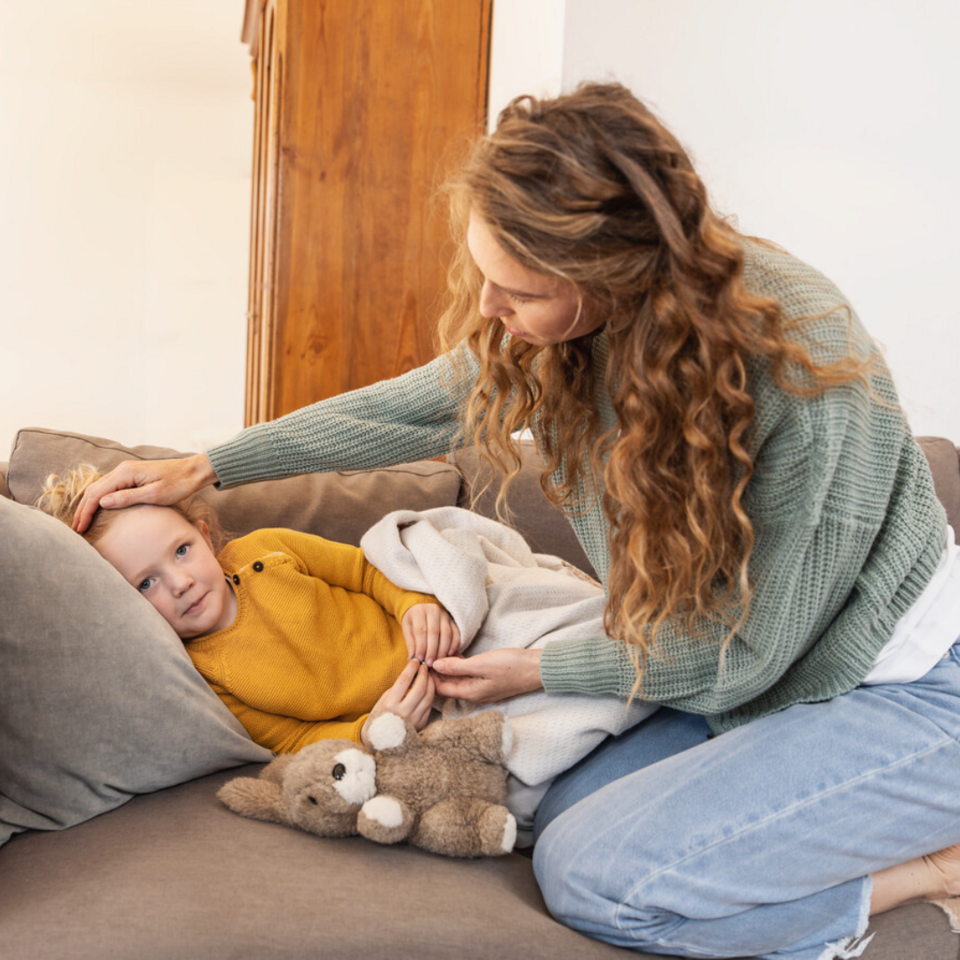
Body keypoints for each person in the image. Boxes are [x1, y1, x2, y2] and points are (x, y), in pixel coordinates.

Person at [73, 82, 960, 959]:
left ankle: (932, 872)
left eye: (518, 291)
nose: (491, 311)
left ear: (610, 273)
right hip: (766, 677)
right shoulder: (578, 332)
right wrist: (209, 465)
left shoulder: (804, 371)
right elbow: (410, 407)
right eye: (486, 278)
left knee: (591, 879)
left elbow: (747, 652)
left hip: (897, 678)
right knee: (562, 810)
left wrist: (539, 668)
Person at [43, 465, 454, 752]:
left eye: (182, 550)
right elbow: (290, 740)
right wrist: (367, 732)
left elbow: (366, 569)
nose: (181, 583)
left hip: (444, 643)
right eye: (146, 583)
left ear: (205, 536)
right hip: (412, 719)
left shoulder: (265, 549)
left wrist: (414, 602)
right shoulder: (198, 675)